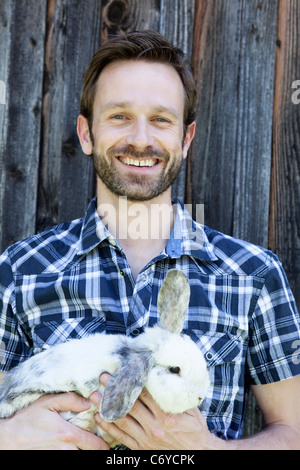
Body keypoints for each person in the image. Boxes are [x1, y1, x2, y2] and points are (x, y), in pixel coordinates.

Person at [0, 30, 300, 450]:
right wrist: (8, 436)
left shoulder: (254, 276)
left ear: (186, 138)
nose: (141, 139)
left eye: (161, 119)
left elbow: (294, 431)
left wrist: (208, 450)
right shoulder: (19, 270)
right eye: (119, 116)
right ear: (86, 134)